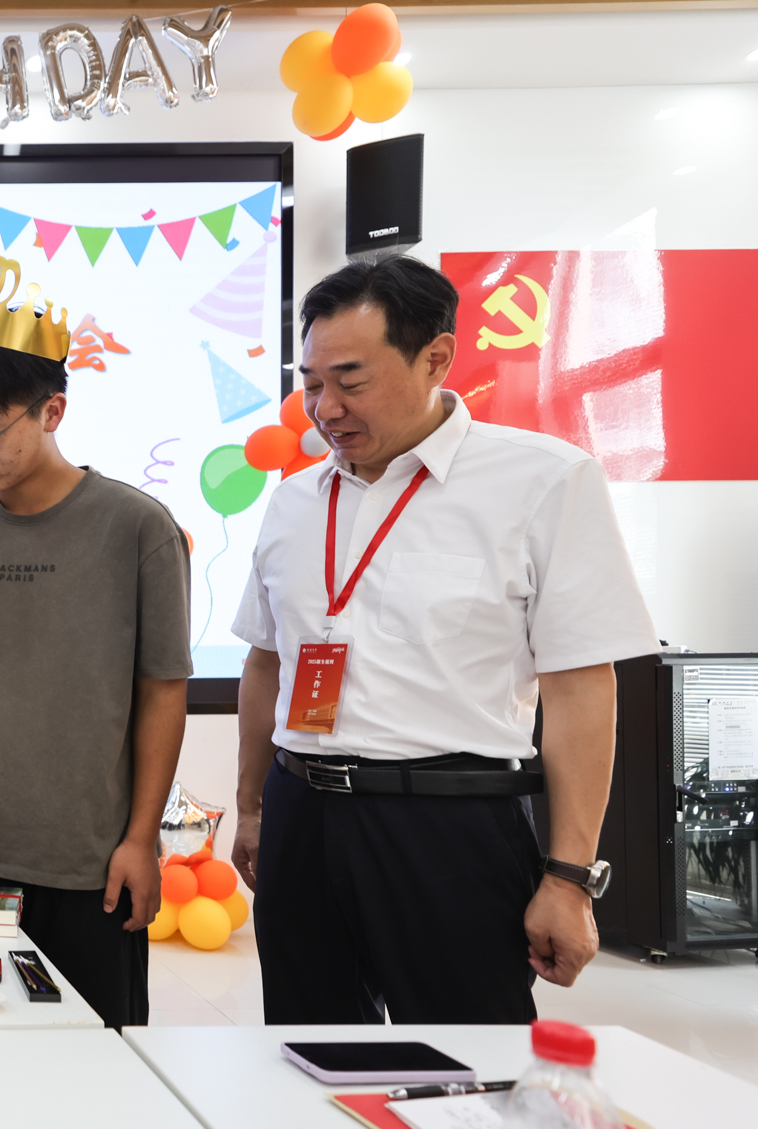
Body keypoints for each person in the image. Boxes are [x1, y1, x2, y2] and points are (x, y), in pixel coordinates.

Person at [230, 256, 658, 1024]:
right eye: (311, 382)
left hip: (448, 825)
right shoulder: (295, 499)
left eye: (351, 380)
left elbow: (580, 689)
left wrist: (568, 877)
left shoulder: (543, 481)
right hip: (302, 812)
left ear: (435, 358)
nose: (325, 408)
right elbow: (266, 662)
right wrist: (254, 806)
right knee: (307, 1048)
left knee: (470, 1059)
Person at [0, 243, 191, 1028]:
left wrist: (142, 838)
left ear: (52, 411)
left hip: (90, 860)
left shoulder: (138, 527)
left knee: (96, 1051)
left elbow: (163, 691)